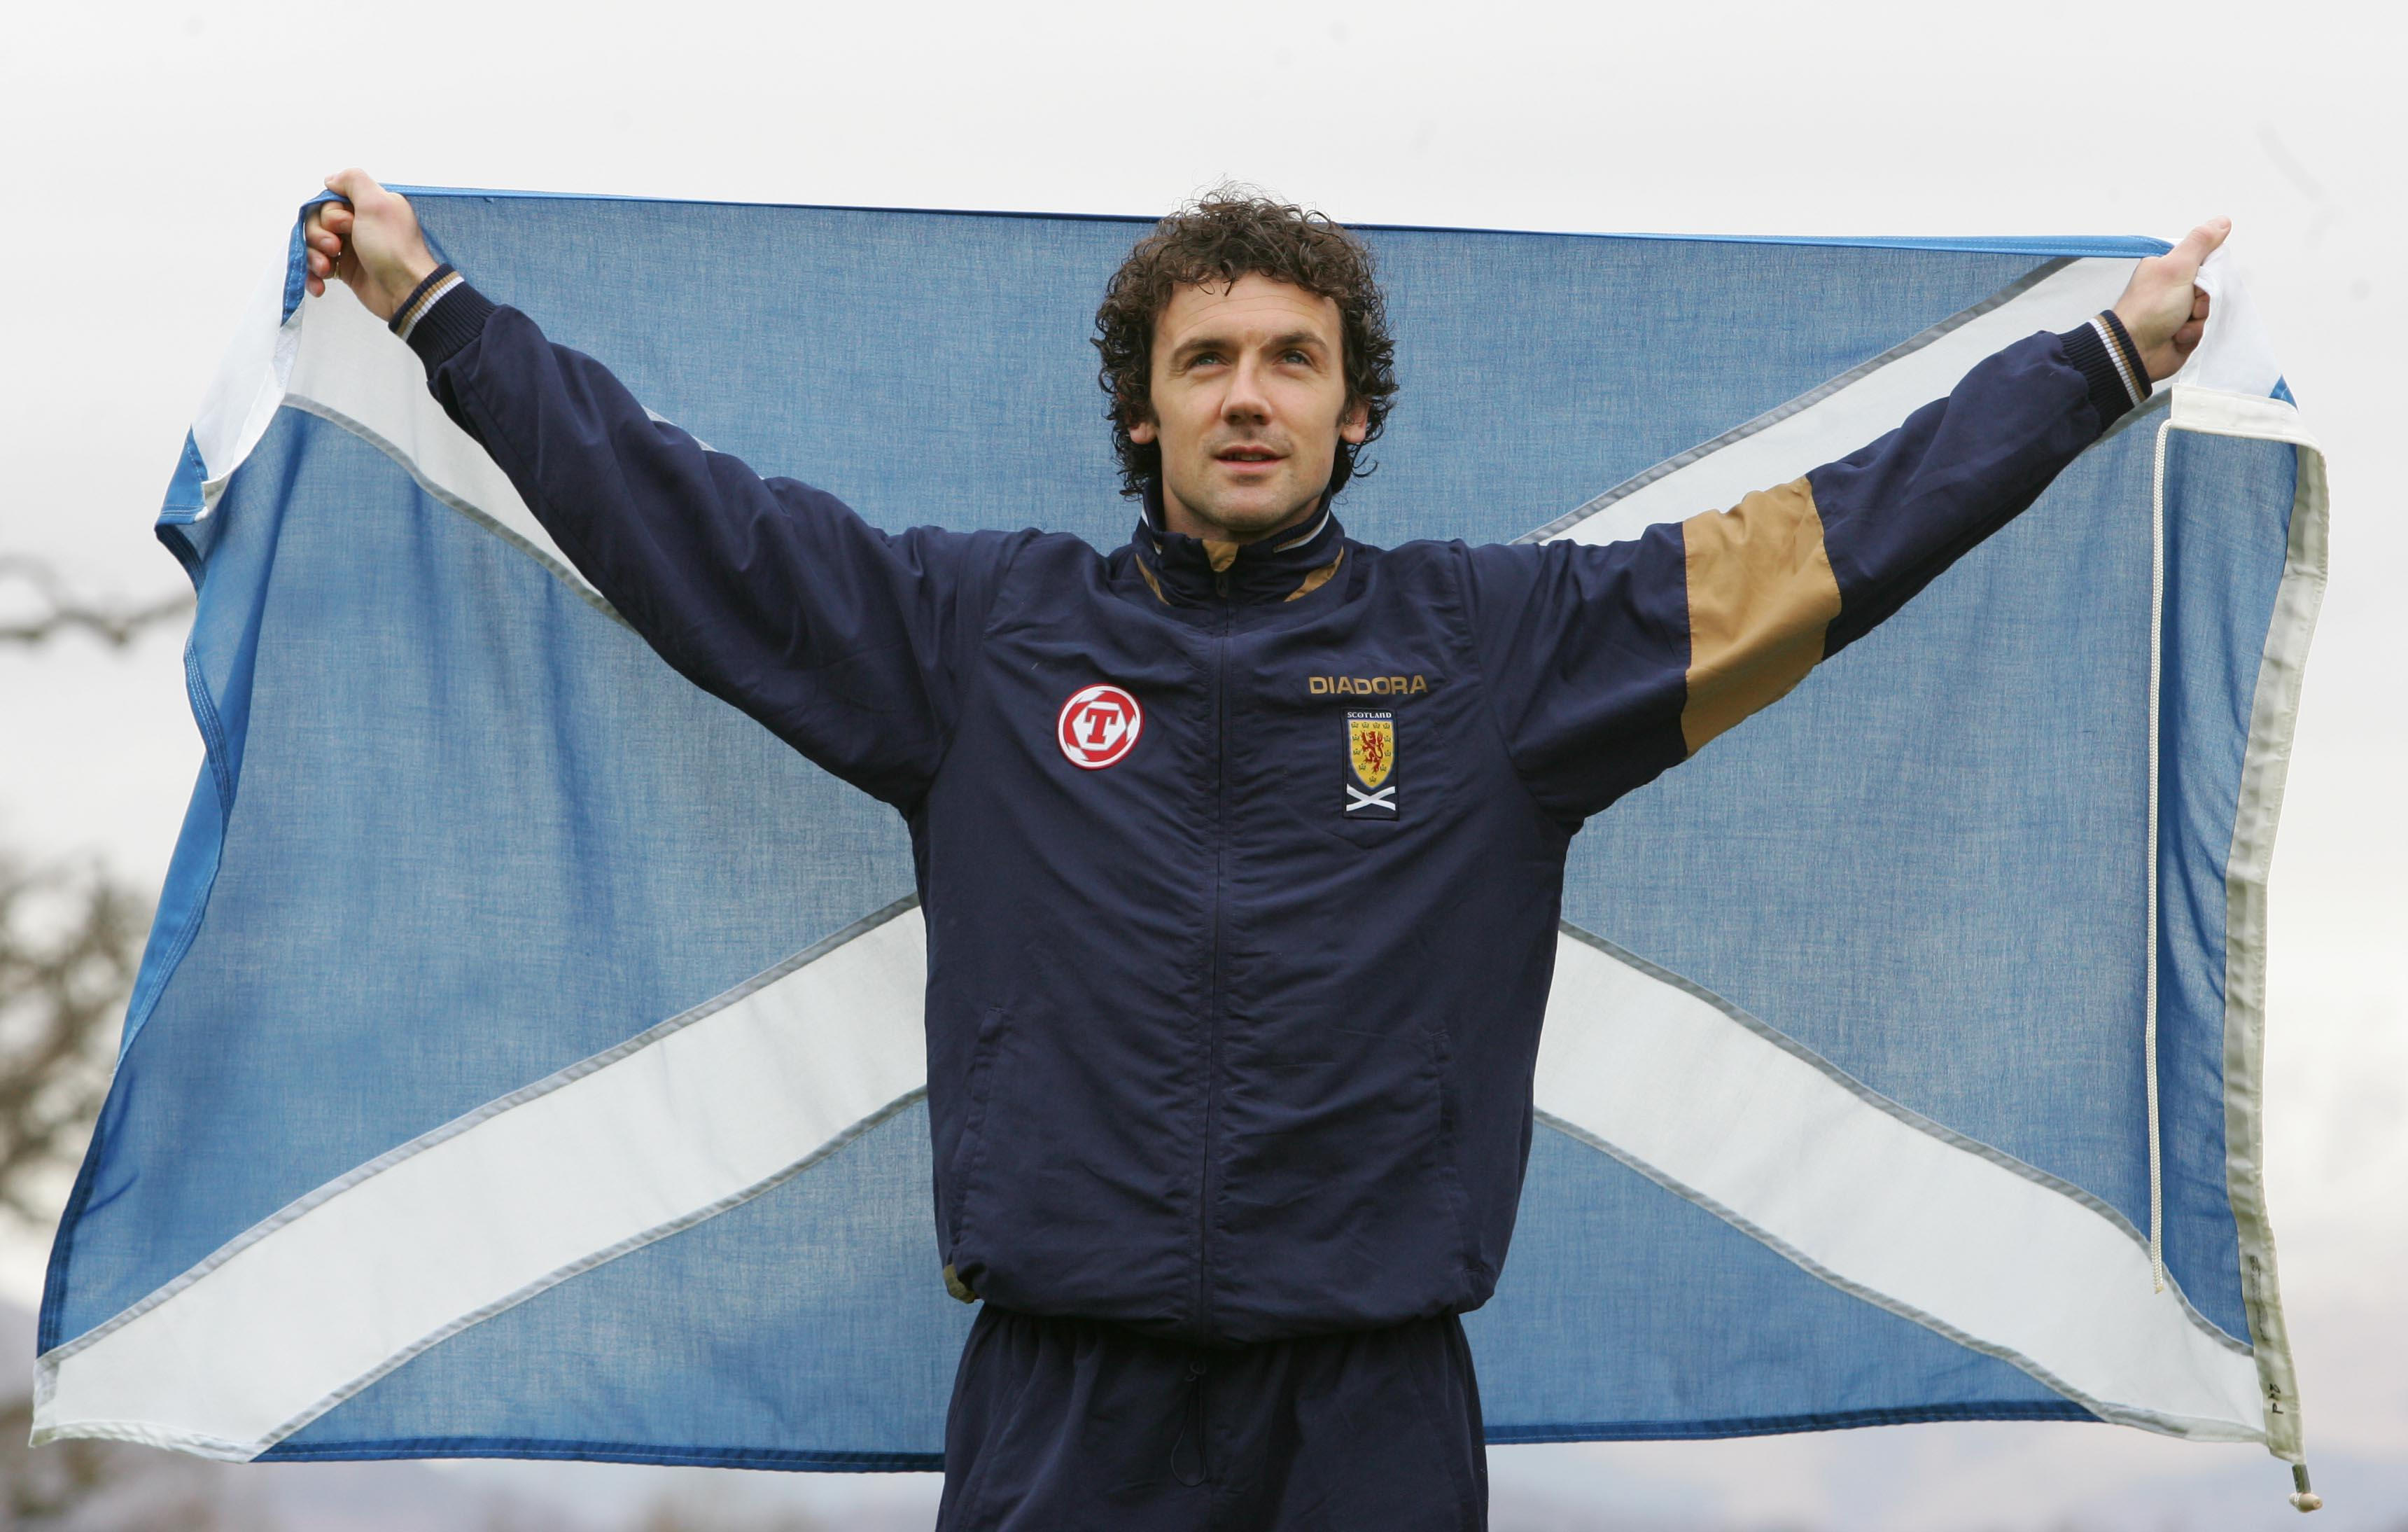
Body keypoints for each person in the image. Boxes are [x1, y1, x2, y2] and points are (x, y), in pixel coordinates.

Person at [303, 172, 2222, 1532]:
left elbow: (1828, 540)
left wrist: (2099, 365)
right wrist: (439, 315)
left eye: (1291, 359)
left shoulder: (1497, 651)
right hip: (1067, 1395)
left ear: (1354, 407)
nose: (1247, 392)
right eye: (1205, 356)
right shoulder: (978, 638)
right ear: (1139, 408)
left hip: (1369, 1399)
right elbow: (682, 524)